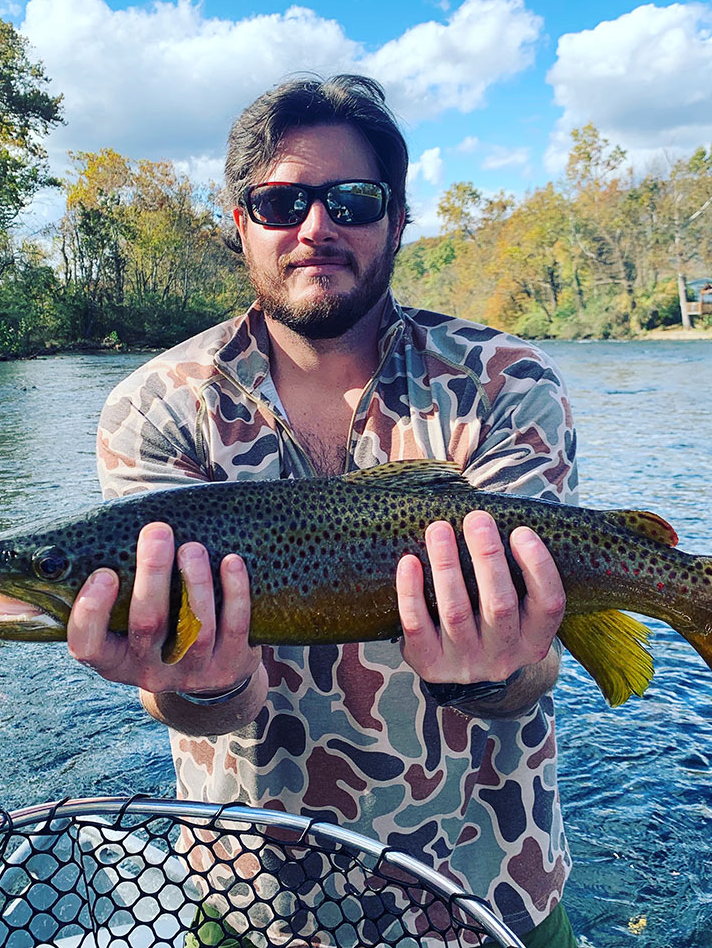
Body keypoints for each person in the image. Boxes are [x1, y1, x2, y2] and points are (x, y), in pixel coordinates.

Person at [67, 74, 580, 946]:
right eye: (281, 201)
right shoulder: (155, 409)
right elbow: (202, 709)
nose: (316, 227)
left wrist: (499, 667)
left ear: (397, 219)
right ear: (241, 224)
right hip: (255, 899)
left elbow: (533, 668)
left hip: (488, 880)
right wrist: (200, 682)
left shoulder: (503, 381)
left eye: (351, 199)